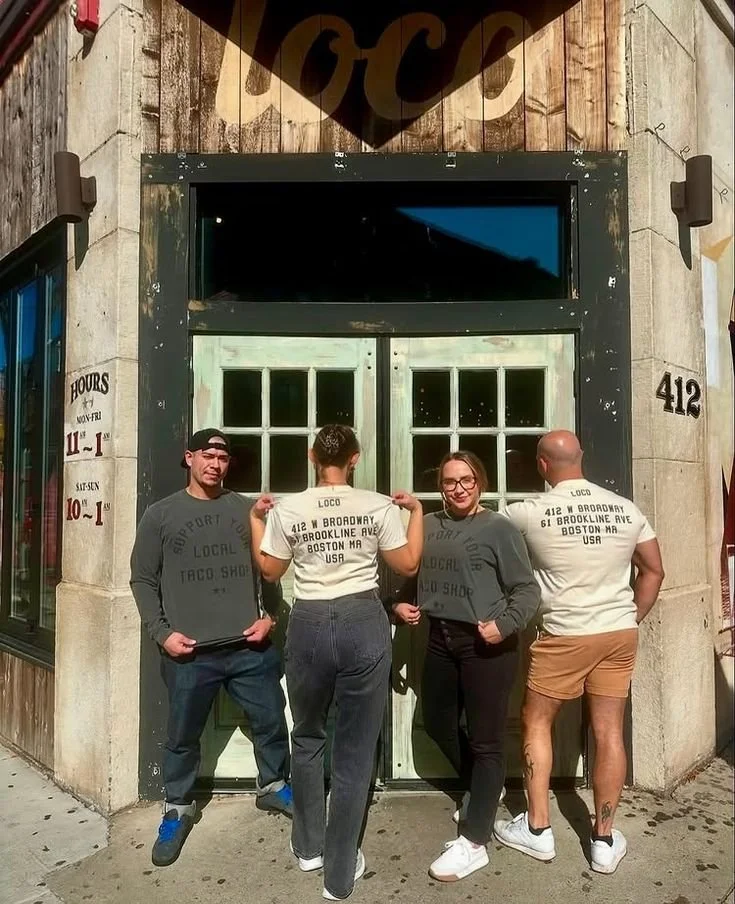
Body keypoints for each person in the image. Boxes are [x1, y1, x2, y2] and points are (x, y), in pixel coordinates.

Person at [250, 425, 423, 901]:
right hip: (361, 617)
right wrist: (419, 512)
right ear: (355, 458)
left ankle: (308, 846)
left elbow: (270, 571)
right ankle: (340, 872)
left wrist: (254, 519)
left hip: (308, 619)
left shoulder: (289, 508)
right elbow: (407, 564)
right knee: (353, 750)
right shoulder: (376, 506)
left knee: (306, 735)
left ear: (311, 457)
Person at [494, 430, 664, 875]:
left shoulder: (529, 512)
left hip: (565, 634)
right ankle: (604, 839)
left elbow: (482, 535)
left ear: (542, 464)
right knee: (608, 731)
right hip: (618, 632)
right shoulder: (625, 509)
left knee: (536, 721)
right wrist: (632, 615)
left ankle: (537, 829)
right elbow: (654, 571)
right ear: (582, 458)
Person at [130, 429, 292, 868]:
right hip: (189, 654)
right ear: (189, 458)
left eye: (222, 456)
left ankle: (273, 786)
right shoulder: (160, 515)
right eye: (207, 454)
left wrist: (270, 617)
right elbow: (142, 580)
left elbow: (269, 569)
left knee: (271, 719)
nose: (215, 463)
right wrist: (162, 633)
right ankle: (178, 809)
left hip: (247, 647)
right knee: (183, 738)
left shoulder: (244, 509)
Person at [393, 451, 540, 882]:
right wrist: (399, 603)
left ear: (481, 483)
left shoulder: (499, 528)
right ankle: (483, 792)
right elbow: (412, 575)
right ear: (440, 486)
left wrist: (505, 625)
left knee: (486, 742)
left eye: (467, 480)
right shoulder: (430, 525)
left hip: (486, 645)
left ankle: (474, 842)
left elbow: (526, 591)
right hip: (438, 638)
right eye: (450, 481)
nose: (458, 488)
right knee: (438, 723)